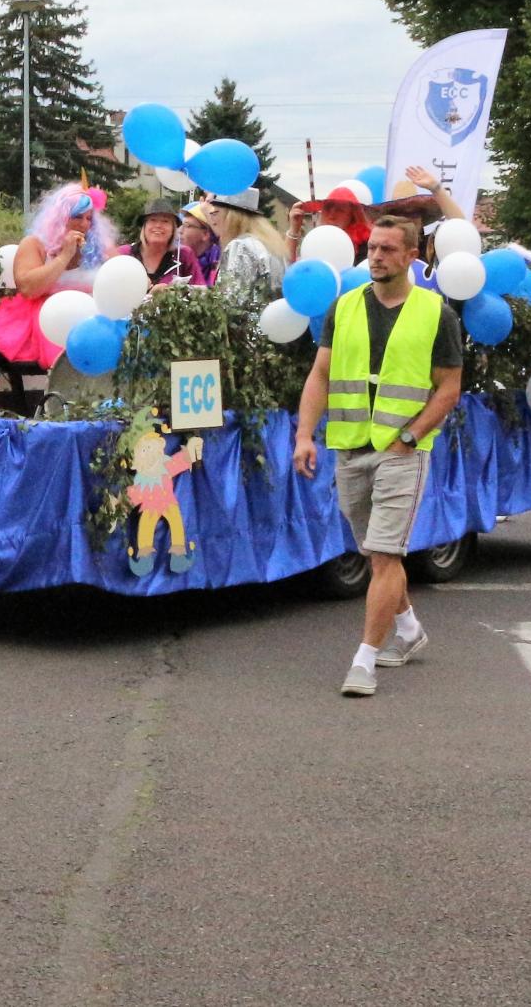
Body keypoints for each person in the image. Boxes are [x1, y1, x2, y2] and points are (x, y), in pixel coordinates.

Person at [293, 215, 463, 699]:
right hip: (349, 446)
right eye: (372, 248)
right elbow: (320, 375)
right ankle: (409, 630)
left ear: (413, 256)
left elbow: (448, 388)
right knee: (374, 552)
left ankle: (364, 660)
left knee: (386, 553)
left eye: (388, 249)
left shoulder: (437, 314)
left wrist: (410, 438)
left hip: (401, 452)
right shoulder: (345, 306)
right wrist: (305, 434)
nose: (377, 256)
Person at [0, 182, 115, 414]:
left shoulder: (101, 248)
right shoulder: (34, 244)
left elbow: (121, 279)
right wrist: (63, 257)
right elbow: (28, 287)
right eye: (77, 217)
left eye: (89, 218)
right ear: (61, 216)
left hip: (87, 321)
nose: (84, 225)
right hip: (35, 321)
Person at [192, 189, 287, 294]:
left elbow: (232, 299)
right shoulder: (268, 244)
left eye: (216, 212)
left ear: (231, 217)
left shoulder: (240, 246)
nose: (212, 219)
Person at [117, 205, 197, 284]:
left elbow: (201, 291)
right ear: (144, 226)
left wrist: (171, 291)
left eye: (165, 221)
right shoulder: (124, 253)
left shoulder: (184, 255)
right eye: (153, 220)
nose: (158, 225)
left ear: (173, 229)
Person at [175, 205, 220, 287]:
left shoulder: (218, 261)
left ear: (205, 234)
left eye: (187, 226)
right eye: (180, 225)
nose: (180, 231)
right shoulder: (177, 259)